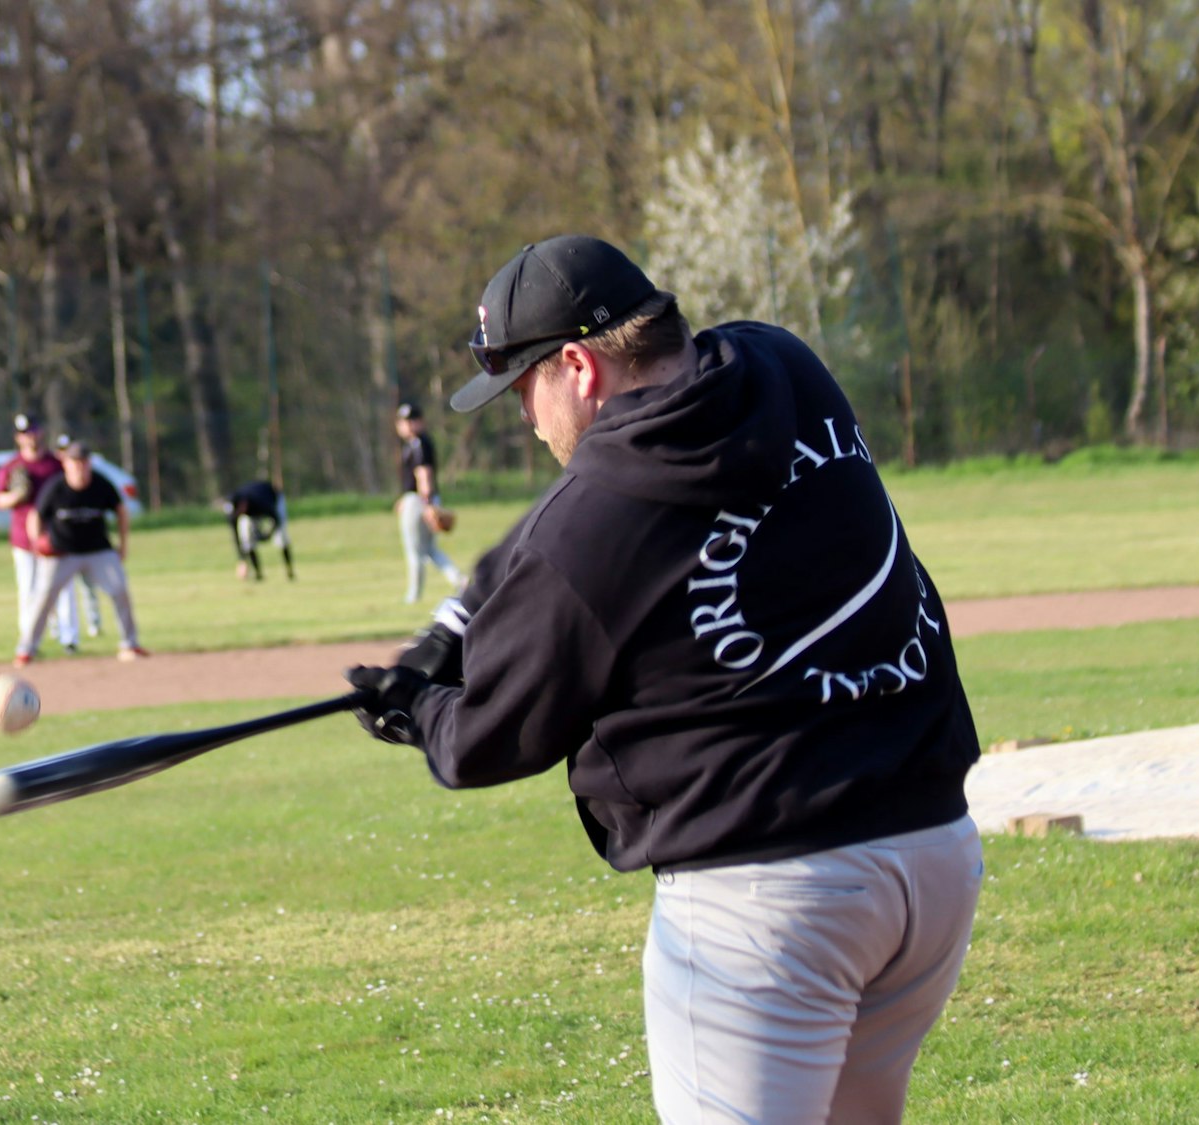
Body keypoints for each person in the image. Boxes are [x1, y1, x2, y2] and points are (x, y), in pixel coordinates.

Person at [345, 235, 983, 1125]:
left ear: (577, 365)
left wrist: (418, 705)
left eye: (524, 388)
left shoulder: (591, 528)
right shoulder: (780, 364)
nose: (527, 419)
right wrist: (451, 626)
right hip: (934, 854)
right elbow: (561, 520)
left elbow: (485, 740)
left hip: (766, 898)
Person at [14, 440, 147, 666]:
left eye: (83, 462)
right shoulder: (56, 487)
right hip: (62, 552)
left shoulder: (101, 484)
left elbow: (121, 511)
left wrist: (123, 545)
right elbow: (35, 515)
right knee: (43, 597)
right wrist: (37, 543)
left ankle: (130, 643)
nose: (79, 467)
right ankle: (27, 649)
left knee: (119, 589)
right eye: (75, 462)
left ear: (89, 463)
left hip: (98, 550)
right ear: (66, 464)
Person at [0, 414, 83, 652]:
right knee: (29, 591)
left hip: (56, 537)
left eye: (32, 431)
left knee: (63, 589)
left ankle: (69, 639)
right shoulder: (11, 467)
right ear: (17, 437)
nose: (29, 437)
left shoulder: (55, 465)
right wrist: (15, 496)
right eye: (24, 433)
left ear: (40, 432)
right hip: (23, 540)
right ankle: (30, 642)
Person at [394, 402, 463, 603]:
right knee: (430, 549)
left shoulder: (419, 443)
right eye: (403, 421)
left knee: (414, 549)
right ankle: (459, 580)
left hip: (419, 500)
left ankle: (413, 596)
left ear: (419, 422)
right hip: (421, 499)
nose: (406, 425)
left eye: (410, 421)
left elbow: (424, 473)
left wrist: (425, 503)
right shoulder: (418, 443)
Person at [54, 433, 107, 636]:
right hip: (63, 544)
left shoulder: (91, 479)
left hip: (89, 543)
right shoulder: (56, 481)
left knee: (88, 586)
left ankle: (94, 624)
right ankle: (58, 628)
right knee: (57, 591)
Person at [225, 479, 294, 581]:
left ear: (243, 504)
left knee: (281, 537)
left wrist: (268, 534)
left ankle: (289, 571)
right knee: (247, 539)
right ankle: (258, 574)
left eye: (238, 511)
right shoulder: (233, 511)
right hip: (253, 510)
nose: (237, 514)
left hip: (274, 500)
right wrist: (241, 560)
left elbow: (275, 517)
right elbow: (236, 535)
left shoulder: (260, 501)